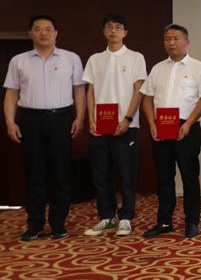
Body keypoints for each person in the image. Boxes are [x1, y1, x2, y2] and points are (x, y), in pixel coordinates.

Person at [4, 15, 85, 241]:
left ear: (56, 33)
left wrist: (80, 117)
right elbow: (11, 94)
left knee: (60, 173)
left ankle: (58, 224)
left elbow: (79, 90)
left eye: (48, 29)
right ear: (31, 33)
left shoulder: (71, 58)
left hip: (61, 119)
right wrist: (10, 122)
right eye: (38, 29)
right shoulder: (18, 61)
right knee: (34, 173)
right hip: (30, 120)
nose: (43, 33)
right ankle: (35, 224)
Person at [140, 24, 201, 238]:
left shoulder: (199, 68)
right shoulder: (157, 68)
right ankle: (164, 222)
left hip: (186, 128)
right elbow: (147, 99)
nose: (171, 43)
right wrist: (151, 123)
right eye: (167, 39)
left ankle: (191, 221)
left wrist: (188, 123)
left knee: (190, 178)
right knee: (164, 177)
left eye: (176, 38)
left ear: (186, 42)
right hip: (160, 127)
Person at [82, 13, 147, 238]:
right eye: (109, 27)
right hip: (99, 126)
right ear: (103, 31)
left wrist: (127, 118)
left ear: (125, 32)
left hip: (125, 125)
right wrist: (91, 119)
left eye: (118, 27)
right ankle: (107, 217)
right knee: (101, 173)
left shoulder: (135, 57)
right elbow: (90, 91)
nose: (113, 31)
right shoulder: (95, 59)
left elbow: (139, 91)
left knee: (127, 173)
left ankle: (126, 218)